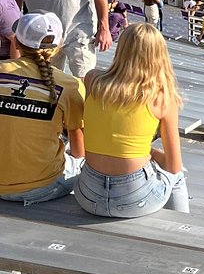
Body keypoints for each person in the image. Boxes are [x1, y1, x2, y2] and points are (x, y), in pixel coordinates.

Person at [75, 23, 188, 218]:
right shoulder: (163, 98)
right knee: (178, 176)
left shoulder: (92, 79)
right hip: (135, 200)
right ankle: (182, 230)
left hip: (87, 194)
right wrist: (150, 152)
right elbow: (173, 165)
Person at [0, 13, 86, 205]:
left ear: (17, 44)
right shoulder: (69, 85)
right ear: (56, 49)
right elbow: (78, 146)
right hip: (41, 188)